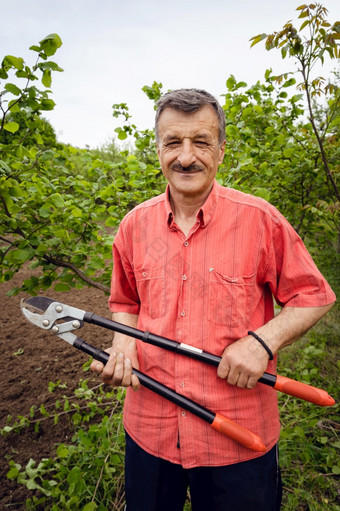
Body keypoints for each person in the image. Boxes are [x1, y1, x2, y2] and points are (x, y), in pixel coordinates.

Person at [91, 89, 336, 511]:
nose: (186, 156)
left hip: (238, 436)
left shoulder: (260, 220)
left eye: (201, 142)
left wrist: (262, 343)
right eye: (173, 143)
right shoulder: (133, 225)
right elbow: (126, 303)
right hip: (150, 430)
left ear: (221, 151)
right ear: (158, 150)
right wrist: (123, 343)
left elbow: (315, 295)